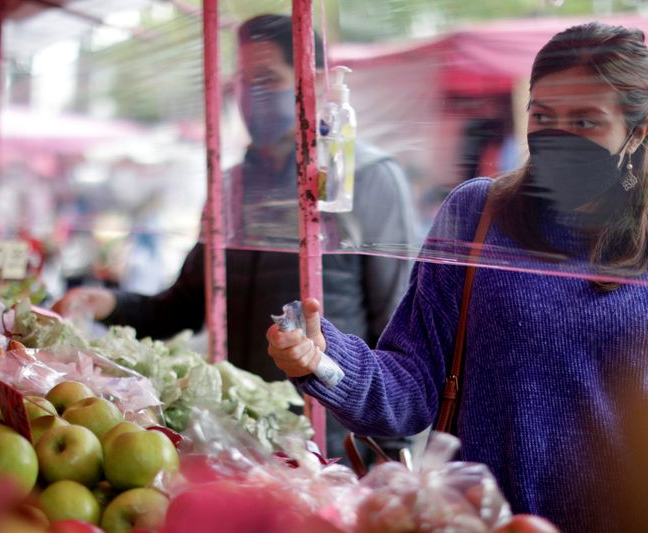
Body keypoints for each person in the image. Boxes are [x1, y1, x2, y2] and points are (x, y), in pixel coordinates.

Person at [266, 22, 648, 533]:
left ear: (638, 130)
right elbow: (412, 384)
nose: (558, 137)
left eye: (585, 121)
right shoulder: (476, 214)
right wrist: (326, 361)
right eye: (542, 115)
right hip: (484, 524)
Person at [53, 15, 418, 460]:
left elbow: (398, 336)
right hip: (236, 442)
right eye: (245, 80)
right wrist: (107, 303)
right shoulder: (229, 187)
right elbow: (186, 301)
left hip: (328, 450)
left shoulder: (366, 178)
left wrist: (391, 459)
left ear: (316, 84)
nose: (254, 95)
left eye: (269, 79)